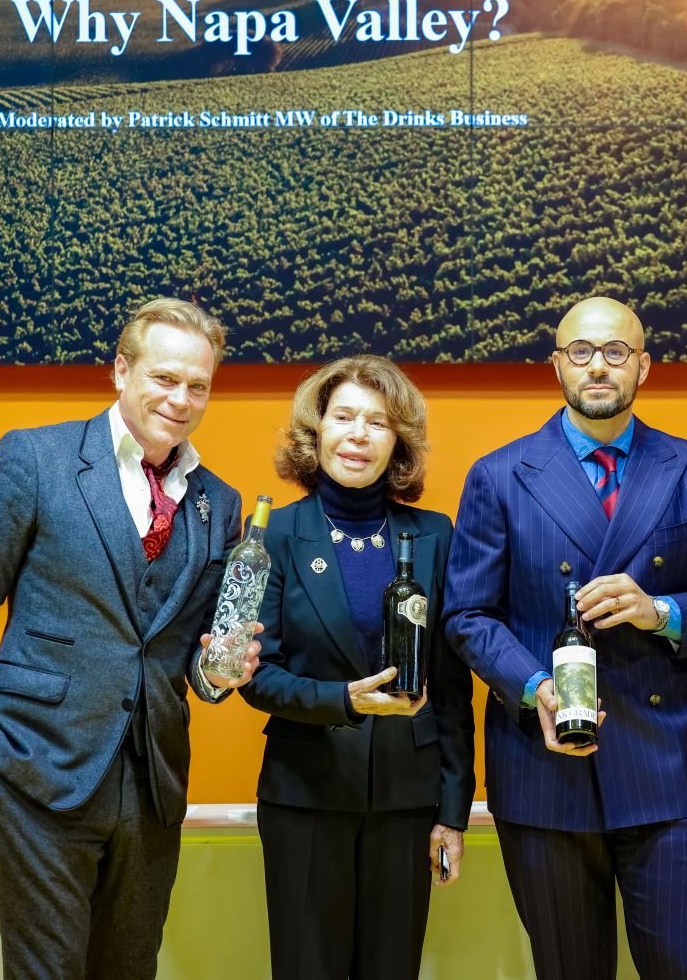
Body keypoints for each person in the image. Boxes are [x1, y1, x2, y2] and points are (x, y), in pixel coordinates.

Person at [0, 298, 259, 979]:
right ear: (120, 371)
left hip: (154, 787)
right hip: (36, 774)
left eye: (198, 385)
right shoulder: (34, 459)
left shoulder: (220, 503)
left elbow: (191, 660)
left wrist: (219, 675)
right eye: (164, 378)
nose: (181, 399)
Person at [444, 296, 687, 980]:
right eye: (581, 352)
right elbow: (468, 614)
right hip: (544, 769)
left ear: (644, 365)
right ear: (557, 365)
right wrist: (536, 689)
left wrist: (658, 610)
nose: (598, 366)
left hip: (670, 771)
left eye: (615, 352)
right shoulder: (500, 475)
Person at [239, 354, 475, 980]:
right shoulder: (273, 535)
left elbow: (454, 691)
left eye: (378, 422)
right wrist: (343, 701)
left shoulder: (435, 535)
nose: (359, 434)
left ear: (398, 442)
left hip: (408, 801)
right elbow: (255, 675)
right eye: (344, 417)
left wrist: (453, 813)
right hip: (305, 797)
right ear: (316, 430)